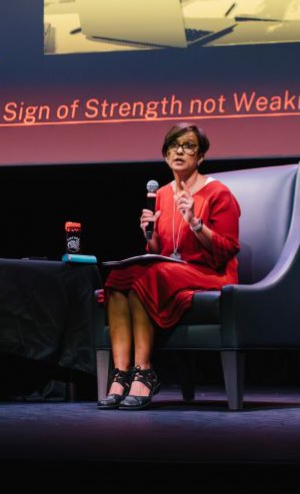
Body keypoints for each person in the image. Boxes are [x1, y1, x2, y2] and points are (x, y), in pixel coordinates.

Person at [100, 123, 240, 410]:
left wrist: (196, 223)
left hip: (210, 273)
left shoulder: (218, 193)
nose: (179, 151)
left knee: (146, 278)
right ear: (165, 155)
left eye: (188, 146)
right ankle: (121, 374)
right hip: (171, 272)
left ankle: (145, 372)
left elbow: (227, 249)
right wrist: (148, 236)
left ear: (200, 157)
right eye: (173, 146)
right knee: (119, 276)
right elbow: (159, 253)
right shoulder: (162, 194)